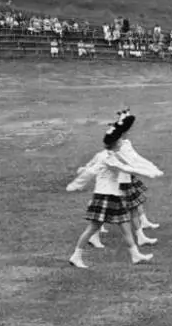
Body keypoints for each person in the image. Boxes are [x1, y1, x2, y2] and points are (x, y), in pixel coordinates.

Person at [65, 122, 156, 268]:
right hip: (106, 197)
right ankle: (76, 256)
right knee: (92, 228)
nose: (122, 141)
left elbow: (90, 171)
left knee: (125, 227)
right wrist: (150, 172)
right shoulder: (109, 159)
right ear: (115, 144)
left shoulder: (108, 155)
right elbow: (124, 168)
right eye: (120, 140)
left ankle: (135, 255)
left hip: (113, 196)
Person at [112, 109, 163, 248]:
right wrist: (149, 171)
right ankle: (94, 233)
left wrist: (150, 167)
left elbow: (136, 159)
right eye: (126, 130)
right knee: (112, 210)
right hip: (121, 181)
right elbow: (132, 163)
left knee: (134, 206)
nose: (129, 131)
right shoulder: (119, 148)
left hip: (127, 178)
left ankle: (141, 234)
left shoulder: (124, 143)